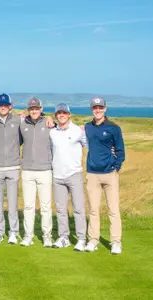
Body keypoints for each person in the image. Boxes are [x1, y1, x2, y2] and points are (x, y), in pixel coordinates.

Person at [84, 97, 125, 255]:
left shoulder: (114, 128)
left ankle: (116, 242)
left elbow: (120, 151)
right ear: (92, 109)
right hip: (93, 174)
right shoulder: (87, 127)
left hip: (110, 174)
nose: (98, 110)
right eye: (95, 108)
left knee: (113, 209)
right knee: (93, 210)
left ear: (105, 109)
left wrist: (116, 167)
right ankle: (93, 240)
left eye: (100, 107)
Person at [49, 103, 88, 251]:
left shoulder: (78, 130)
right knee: (61, 209)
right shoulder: (52, 132)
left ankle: (81, 239)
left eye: (64, 113)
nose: (61, 115)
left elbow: (89, 145)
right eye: (59, 113)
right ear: (56, 115)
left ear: (69, 114)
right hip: (58, 175)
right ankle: (64, 237)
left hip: (74, 174)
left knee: (78, 208)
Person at [20, 97, 54, 247]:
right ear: (28, 110)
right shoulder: (22, 124)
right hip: (27, 170)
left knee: (46, 206)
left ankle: (47, 236)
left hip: (45, 169)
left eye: (36, 108)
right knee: (28, 206)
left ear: (41, 109)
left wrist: (50, 118)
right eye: (31, 109)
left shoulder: (49, 124)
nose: (34, 111)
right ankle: (28, 236)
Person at [0, 93, 21, 245]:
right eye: (1, 105)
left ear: (10, 106)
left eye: (6, 105)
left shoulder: (18, 120)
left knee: (13, 202)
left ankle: (13, 232)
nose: (3, 107)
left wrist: (48, 119)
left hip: (13, 166)